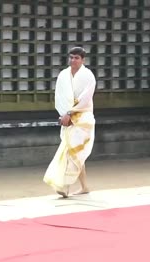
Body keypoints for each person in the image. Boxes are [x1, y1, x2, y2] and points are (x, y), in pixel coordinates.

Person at [43, 47, 96, 198]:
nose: (73, 60)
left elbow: (85, 99)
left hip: (83, 117)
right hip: (67, 118)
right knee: (76, 152)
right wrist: (63, 114)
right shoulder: (63, 75)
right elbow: (59, 96)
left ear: (83, 60)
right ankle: (84, 186)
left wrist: (70, 113)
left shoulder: (88, 76)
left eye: (77, 58)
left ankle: (63, 185)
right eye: (71, 57)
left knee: (70, 151)